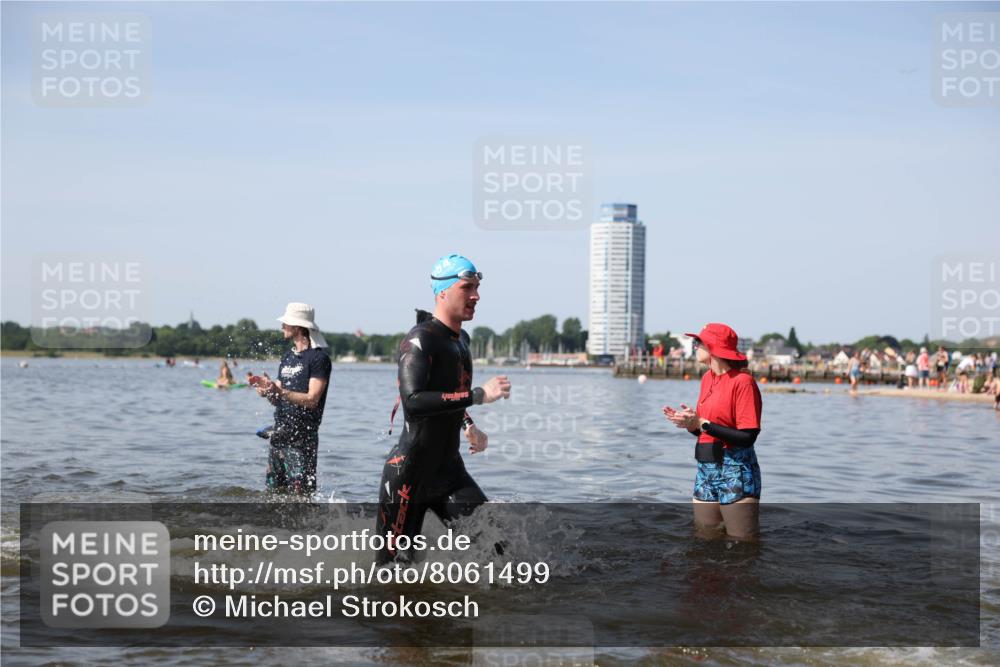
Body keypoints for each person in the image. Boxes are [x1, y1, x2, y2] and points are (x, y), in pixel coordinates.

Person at [375, 254, 511, 564]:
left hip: (449, 472)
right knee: (392, 575)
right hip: (408, 474)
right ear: (443, 292)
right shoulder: (419, 340)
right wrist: (477, 395)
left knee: (500, 554)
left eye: (477, 288)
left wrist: (467, 424)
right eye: (468, 288)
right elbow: (414, 400)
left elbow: (449, 391)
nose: (475, 296)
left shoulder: (461, 339)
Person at [663, 323, 763, 541]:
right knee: (705, 541)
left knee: (742, 545)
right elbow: (706, 430)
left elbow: (748, 437)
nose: (695, 345)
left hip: (736, 470)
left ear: (714, 348)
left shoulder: (743, 382)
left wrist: (703, 423)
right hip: (706, 469)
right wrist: (691, 424)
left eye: (699, 342)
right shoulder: (707, 378)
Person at [252, 303, 332, 495]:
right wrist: (269, 391)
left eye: (285, 323)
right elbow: (279, 398)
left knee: (300, 498)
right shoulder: (287, 357)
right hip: (279, 436)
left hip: (302, 440)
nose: (282, 327)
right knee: (272, 495)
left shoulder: (318, 358)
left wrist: (280, 392)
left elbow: (312, 399)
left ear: (297, 327)